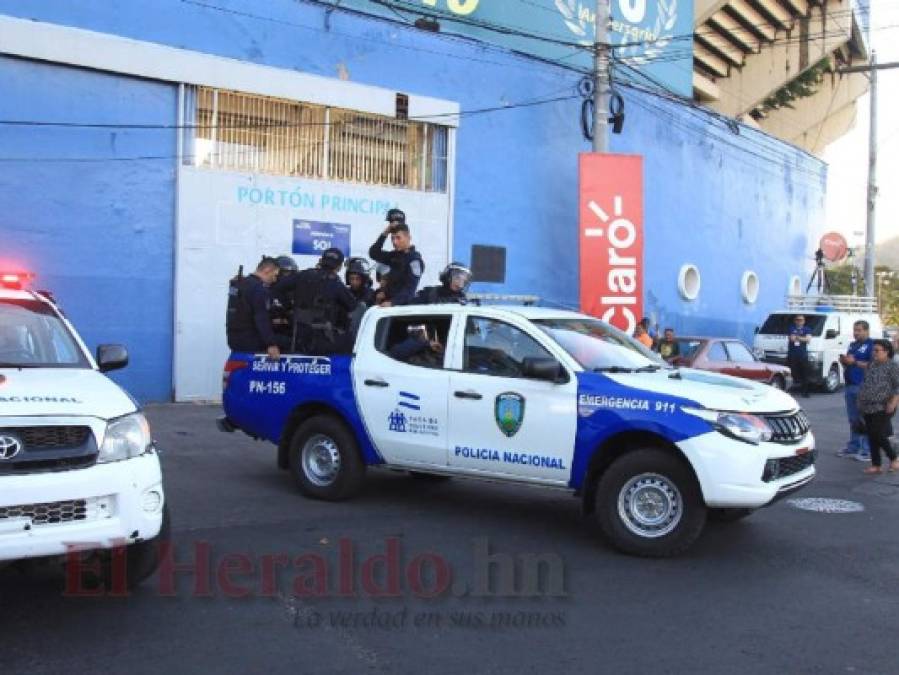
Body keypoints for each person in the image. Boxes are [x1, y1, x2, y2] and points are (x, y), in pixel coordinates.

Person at [272, 247, 361, 355]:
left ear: (321, 260)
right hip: (322, 339)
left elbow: (277, 288)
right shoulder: (336, 284)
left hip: (298, 334)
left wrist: (289, 308)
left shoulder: (303, 275)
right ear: (339, 266)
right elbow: (353, 306)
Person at [226, 257, 289, 360]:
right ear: (267, 270)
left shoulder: (238, 284)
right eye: (275, 275)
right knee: (289, 341)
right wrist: (271, 344)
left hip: (234, 340)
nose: (275, 280)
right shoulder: (259, 289)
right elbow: (261, 318)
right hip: (251, 340)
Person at [857, 339, 899, 474]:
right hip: (867, 405)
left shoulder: (892, 366)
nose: (874, 353)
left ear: (886, 352)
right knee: (871, 435)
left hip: (883, 405)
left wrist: (893, 402)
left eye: (877, 350)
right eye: (873, 350)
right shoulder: (872, 365)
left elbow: (897, 386)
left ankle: (894, 458)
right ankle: (876, 465)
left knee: (878, 434)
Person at [368, 209, 424, 306]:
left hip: (401, 310)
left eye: (398, 238)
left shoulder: (414, 260)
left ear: (408, 238)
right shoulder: (394, 256)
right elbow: (373, 253)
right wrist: (386, 232)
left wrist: (392, 302)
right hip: (388, 307)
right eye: (392, 238)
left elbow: (410, 290)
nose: (394, 242)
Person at [837, 320, 873, 460]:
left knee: (864, 419)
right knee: (853, 419)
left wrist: (855, 362)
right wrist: (845, 361)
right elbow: (849, 363)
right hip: (850, 385)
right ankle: (854, 446)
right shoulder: (853, 345)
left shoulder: (872, 345)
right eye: (854, 330)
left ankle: (867, 450)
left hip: (863, 386)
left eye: (859, 330)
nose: (856, 333)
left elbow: (873, 365)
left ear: (866, 330)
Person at [271, 255, 299, 338]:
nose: (289, 277)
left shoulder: (295, 292)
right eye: (286, 273)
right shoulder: (265, 291)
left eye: (291, 273)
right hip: (271, 335)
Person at [787, 314, 813, 398]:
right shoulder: (791, 328)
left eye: (801, 320)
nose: (799, 321)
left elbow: (808, 339)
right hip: (792, 354)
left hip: (803, 355)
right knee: (792, 373)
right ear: (795, 321)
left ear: (804, 321)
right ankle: (789, 391)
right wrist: (802, 338)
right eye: (797, 320)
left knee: (805, 374)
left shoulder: (807, 329)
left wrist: (798, 337)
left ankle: (805, 392)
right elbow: (791, 339)